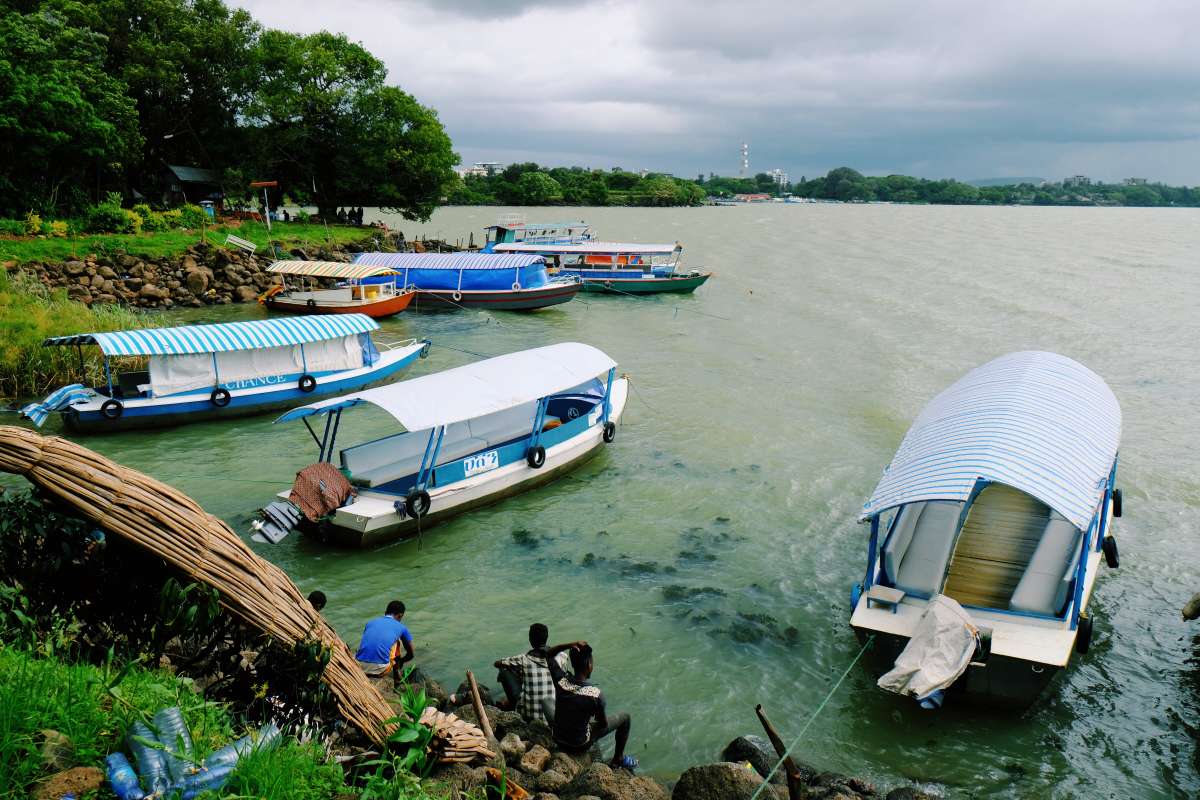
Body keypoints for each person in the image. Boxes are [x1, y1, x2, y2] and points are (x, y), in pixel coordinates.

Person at [545, 640, 636, 770]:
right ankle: (618, 759)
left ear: (572, 663)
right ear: (589, 664)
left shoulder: (561, 680)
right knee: (625, 718)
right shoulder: (595, 695)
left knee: (548, 701)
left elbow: (548, 654)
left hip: (558, 737)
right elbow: (603, 724)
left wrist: (569, 645)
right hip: (579, 744)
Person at [492, 623, 568, 724]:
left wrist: (518, 672)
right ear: (547, 638)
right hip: (554, 715)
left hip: (528, 717)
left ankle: (511, 705)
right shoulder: (562, 656)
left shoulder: (523, 659)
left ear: (530, 640)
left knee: (504, 670)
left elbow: (497, 663)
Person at [355, 600, 414, 686]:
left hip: (359, 665)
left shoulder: (370, 623)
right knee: (396, 643)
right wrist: (402, 661)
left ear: (386, 612)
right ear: (400, 615)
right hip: (380, 669)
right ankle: (397, 678)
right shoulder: (402, 627)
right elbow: (411, 653)